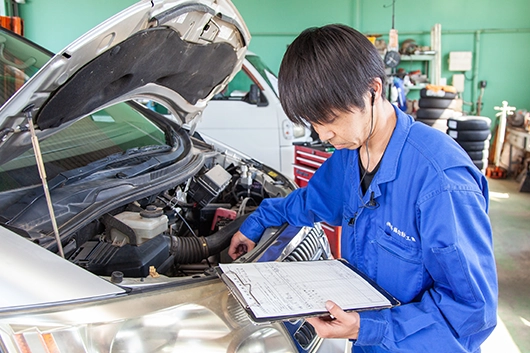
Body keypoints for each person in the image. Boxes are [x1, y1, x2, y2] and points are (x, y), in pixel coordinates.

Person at [228, 24, 497, 352]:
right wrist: (254, 223)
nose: (323, 135)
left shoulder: (441, 181)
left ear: (373, 89)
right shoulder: (350, 155)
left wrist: (371, 329)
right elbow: (310, 202)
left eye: (330, 118)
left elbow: (471, 312)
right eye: (313, 123)